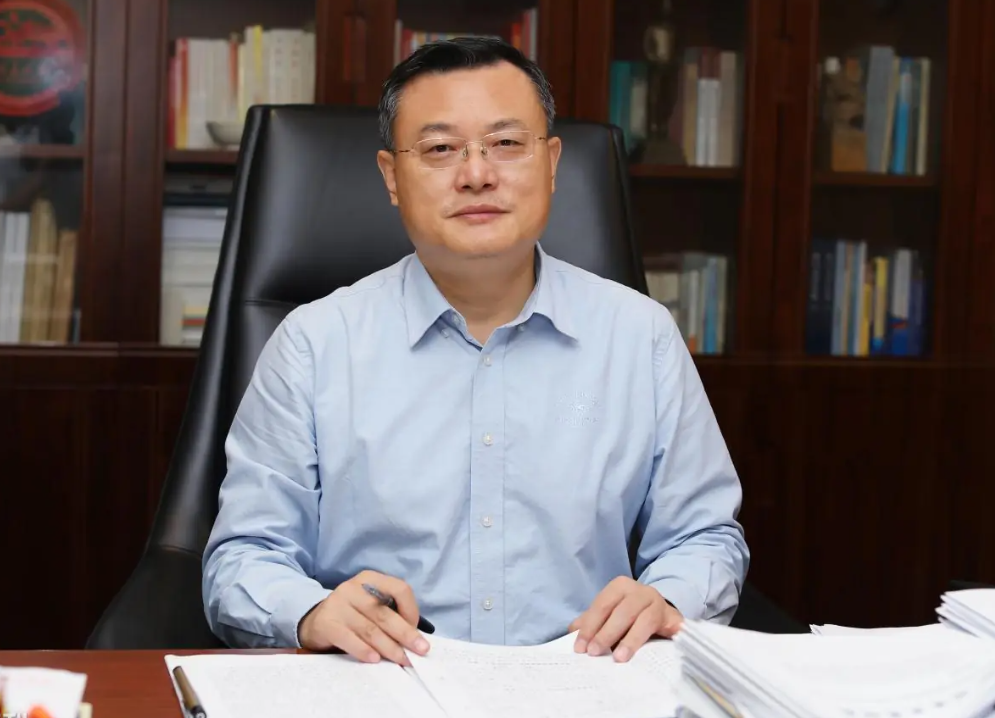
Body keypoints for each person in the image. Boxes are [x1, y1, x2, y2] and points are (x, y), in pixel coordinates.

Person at [202, 36, 749, 667]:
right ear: (391, 177)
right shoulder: (313, 344)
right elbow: (243, 557)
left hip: (580, 685)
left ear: (552, 163)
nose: (477, 174)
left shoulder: (640, 336)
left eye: (506, 143)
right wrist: (312, 612)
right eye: (440, 149)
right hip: (382, 686)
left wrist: (666, 600)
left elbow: (705, 537)